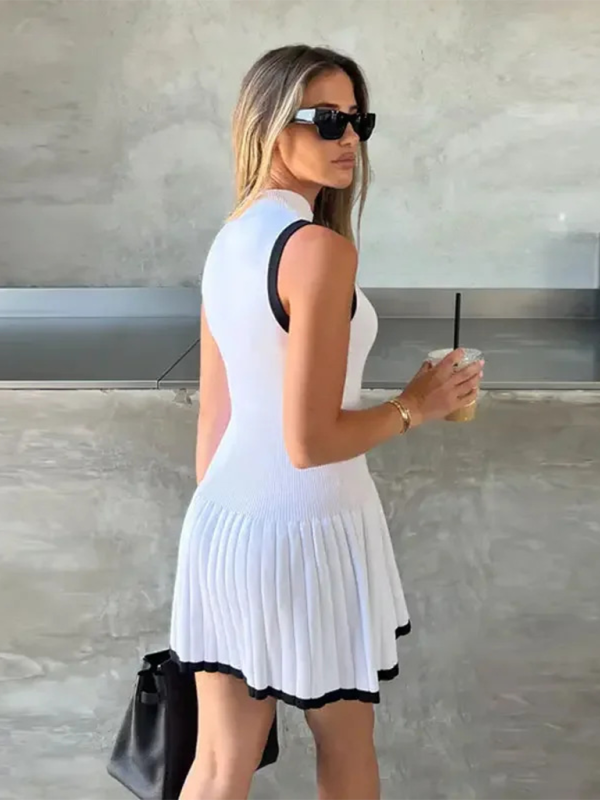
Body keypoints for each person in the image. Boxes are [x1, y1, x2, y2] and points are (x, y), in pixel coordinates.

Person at [169, 44, 484, 800]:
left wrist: (235, 538)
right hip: (311, 530)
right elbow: (310, 443)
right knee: (345, 749)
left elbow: (215, 422)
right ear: (270, 123)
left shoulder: (231, 237)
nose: (349, 139)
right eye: (327, 119)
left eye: (358, 121)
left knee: (217, 765)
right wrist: (417, 404)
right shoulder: (318, 250)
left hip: (223, 525)